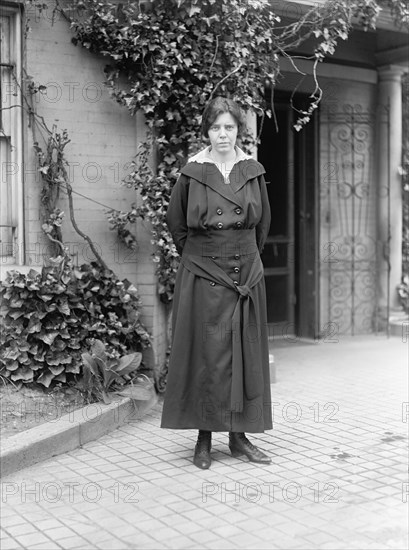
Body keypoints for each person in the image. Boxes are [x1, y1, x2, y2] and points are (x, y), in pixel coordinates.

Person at [160, 96, 272, 469]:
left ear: (238, 130)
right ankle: (204, 440)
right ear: (206, 130)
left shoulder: (252, 170)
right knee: (206, 357)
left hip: (245, 272)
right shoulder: (193, 172)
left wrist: (243, 258)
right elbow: (177, 225)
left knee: (243, 354)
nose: (222, 134)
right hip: (205, 273)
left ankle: (239, 439)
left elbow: (262, 226)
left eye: (229, 127)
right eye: (215, 127)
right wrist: (202, 261)